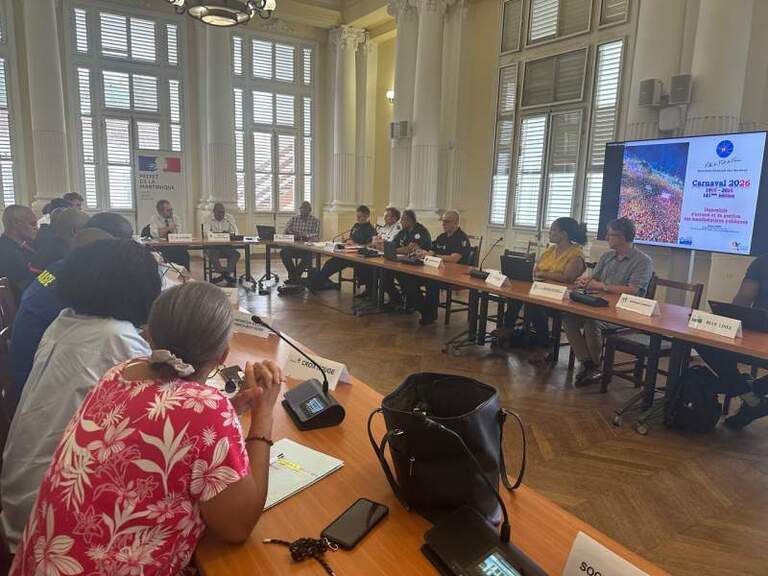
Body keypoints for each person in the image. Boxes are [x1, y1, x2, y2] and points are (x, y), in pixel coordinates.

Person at [9, 282, 282, 575]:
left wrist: (229, 410)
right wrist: (263, 414)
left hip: (41, 562)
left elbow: (167, 424)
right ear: (223, 355)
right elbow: (238, 526)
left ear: (150, 336)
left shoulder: (119, 373)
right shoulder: (205, 408)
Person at [1, 239, 162, 550]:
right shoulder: (117, 339)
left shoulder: (64, 322)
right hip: (54, 526)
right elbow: (165, 413)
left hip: (21, 499)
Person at [7, 212, 134, 398]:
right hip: (37, 381)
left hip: (32, 367)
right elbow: (108, 330)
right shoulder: (77, 283)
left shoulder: (58, 268)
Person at [564, 217, 653, 386]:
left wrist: (602, 286)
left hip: (624, 311)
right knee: (569, 320)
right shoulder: (608, 256)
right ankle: (589, 363)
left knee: (592, 324)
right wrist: (586, 281)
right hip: (599, 305)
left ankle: (595, 367)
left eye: (610, 235)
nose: (606, 238)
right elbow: (594, 279)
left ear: (622, 237)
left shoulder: (643, 261)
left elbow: (633, 290)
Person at [694, 255, 768, 429]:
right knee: (700, 339)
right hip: (755, 336)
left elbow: (743, 299)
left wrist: (728, 318)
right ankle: (751, 397)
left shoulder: (762, 261)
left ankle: (750, 394)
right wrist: (726, 322)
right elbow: (744, 298)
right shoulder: (762, 262)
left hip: (754, 333)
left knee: (704, 342)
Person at [503, 217, 587, 357]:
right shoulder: (550, 250)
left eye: (553, 230)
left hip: (561, 295)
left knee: (533, 304)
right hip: (541, 290)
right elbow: (536, 270)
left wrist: (544, 274)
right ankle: (508, 331)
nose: (549, 232)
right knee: (515, 295)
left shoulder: (576, 254)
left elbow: (567, 277)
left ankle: (543, 343)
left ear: (563, 234)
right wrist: (543, 274)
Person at [401, 210, 472, 325]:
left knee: (432, 282)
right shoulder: (442, 237)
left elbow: (454, 259)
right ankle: (424, 309)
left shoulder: (461, 238)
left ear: (456, 222)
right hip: (436, 271)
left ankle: (429, 314)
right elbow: (431, 251)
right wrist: (421, 252)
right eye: (442, 221)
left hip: (453, 276)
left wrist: (433, 255)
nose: (443, 224)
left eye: (446, 221)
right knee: (407, 279)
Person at [311, 205, 376, 294]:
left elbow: (370, 246)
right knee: (329, 263)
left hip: (358, 258)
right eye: (357, 216)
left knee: (334, 263)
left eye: (359, 217)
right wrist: (346, 241)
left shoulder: (371, 230)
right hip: (348, 253)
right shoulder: (356, 225)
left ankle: (315, 284)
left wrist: (356, 244)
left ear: (366, 216)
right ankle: (318, 283)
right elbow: (352, 238)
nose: (357, 219)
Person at [383, 209, 431, 308]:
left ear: (410, 220)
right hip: (404, 263)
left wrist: (394, 250)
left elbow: (409, 249)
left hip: (420, 267)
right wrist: (387, 247)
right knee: (383, 273)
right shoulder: (403, 231)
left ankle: (418, 305)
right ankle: (396, 299)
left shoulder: (420, 231)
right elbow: (393, 244)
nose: (400, 222)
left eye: (403, 220)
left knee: (405, 278)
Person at [29, 207, 89, 272]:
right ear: (74, 231)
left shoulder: (50, 247)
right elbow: (42, 278)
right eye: (87, 230)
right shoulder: (60, 256)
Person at [0, 205, 38, 297]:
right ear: (15, 223)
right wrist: (50, 274)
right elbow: (30, 287)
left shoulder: (17, 247)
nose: (36, 228)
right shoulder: (8, 252)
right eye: (33, 224)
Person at [281, 201, 320, 284]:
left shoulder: (315, 221)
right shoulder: (294, 219)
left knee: (309, 255)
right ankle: (294, 275)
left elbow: (316, 234)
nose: (303, 210)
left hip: (307, 248)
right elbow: (286, 230)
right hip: (294, 247)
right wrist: (292, 234)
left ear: (310, 210)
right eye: (301, 208)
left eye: (305, 209)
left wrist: (304, 236)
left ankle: (294, 276)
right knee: (283, 252)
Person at [205, 202, 240, 286]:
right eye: (219, 212)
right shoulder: (207, 218)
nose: (222, 214)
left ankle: (225, 274)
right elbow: (206, 233)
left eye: (223, 212)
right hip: (212, 246)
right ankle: (223, 273)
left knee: (236, 254)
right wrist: (219, 235)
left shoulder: (229, 218)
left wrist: (229, 234)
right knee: (212, 254)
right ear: (214, 211)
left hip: (226, 246)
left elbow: (236, 232)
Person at [149, 199, 190, 270]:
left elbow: (178, 233)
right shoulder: (154, 219)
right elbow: (155, 234)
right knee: (167, 254)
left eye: (171, 209)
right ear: (160, 211)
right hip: (161, 247)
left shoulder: (175, 218)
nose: (171, 212)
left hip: (174, 245)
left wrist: (162, 231)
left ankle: (184, 273)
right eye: (168, 210)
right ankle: (168, 272)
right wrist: (168, 228)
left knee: (184, 253)